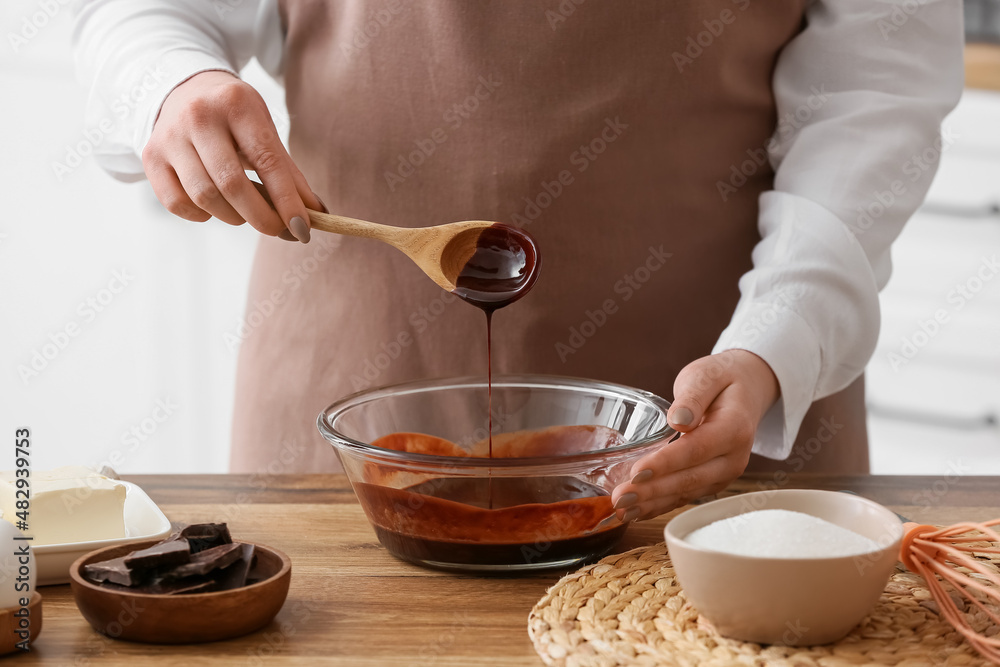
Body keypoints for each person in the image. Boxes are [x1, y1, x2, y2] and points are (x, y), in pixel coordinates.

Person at [72, 0, 962, 522]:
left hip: (726, 409)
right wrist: (168, 83)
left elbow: (875, 85)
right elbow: (141, 14)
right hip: (342, 391)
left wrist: (781, 337)